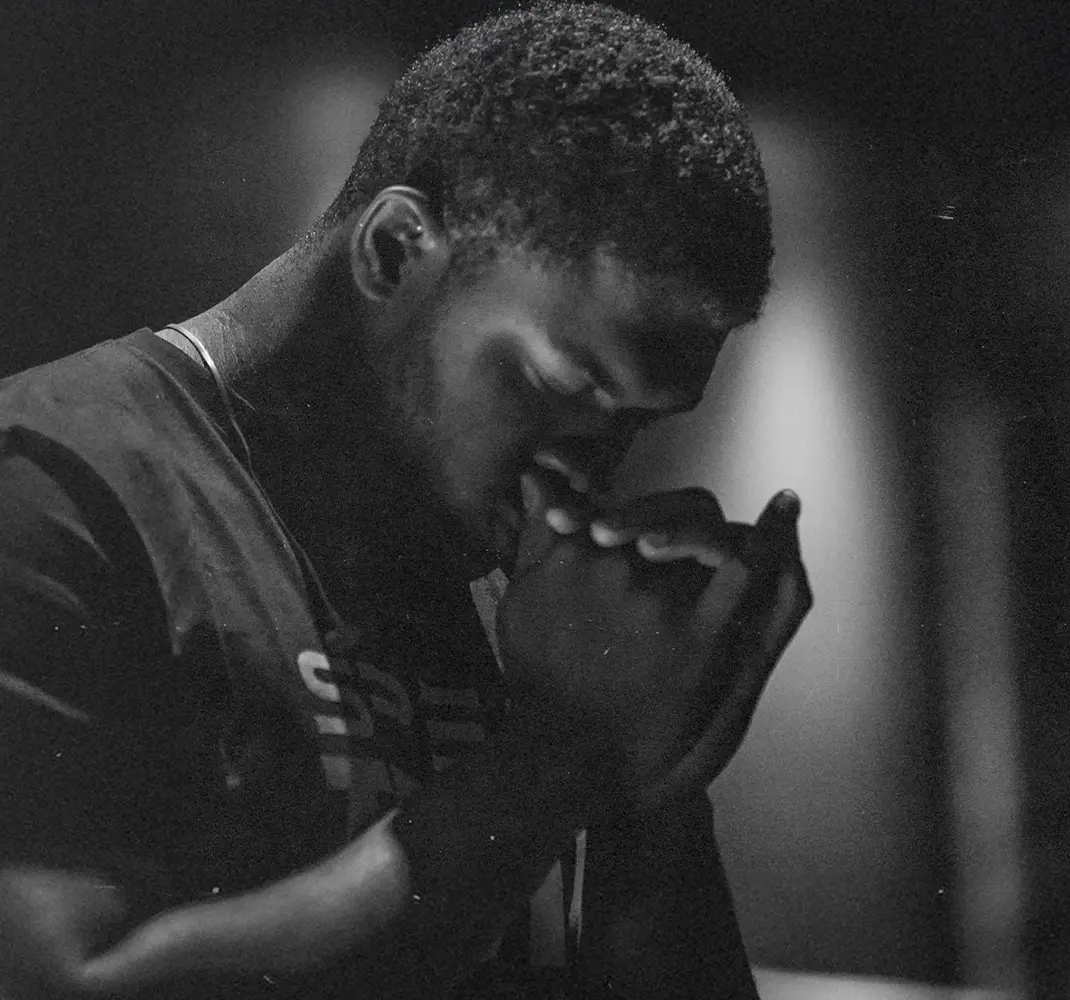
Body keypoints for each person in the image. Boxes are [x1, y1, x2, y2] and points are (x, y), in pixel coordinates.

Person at [0, 3, 811, 998]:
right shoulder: (54, 477)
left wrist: (657, 774)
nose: (589, 474)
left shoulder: (498, 560)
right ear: (393, 251)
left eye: (635, 425)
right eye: (562, 392)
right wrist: (558, 760)